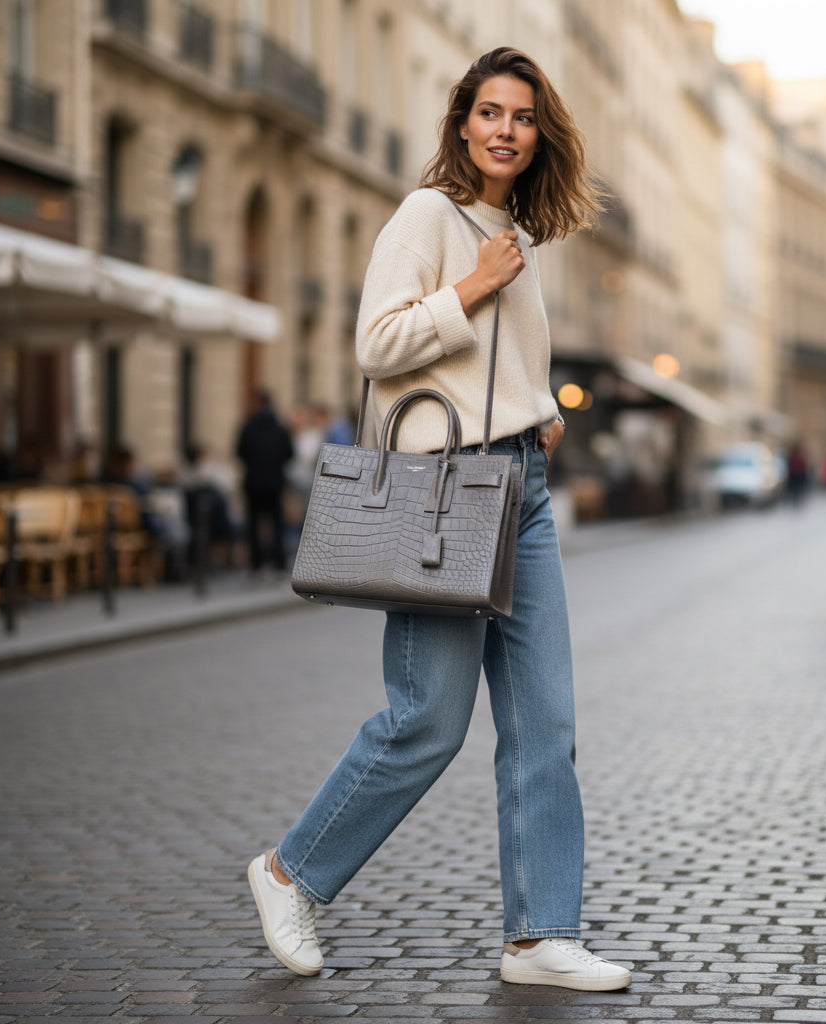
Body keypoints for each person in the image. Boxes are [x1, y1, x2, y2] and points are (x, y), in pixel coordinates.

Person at [246, 47, 631, 992]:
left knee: (546, 723)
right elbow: (377, 343)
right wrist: (471, 288)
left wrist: (537, 408)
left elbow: (496, 364)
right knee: (428, 721)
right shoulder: (428, 217)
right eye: (490, 111)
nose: (506, 129)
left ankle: (540, 935)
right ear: (462, 122)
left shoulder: (517, 236)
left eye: (524, 117)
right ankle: (290, 872)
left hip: (521, 495)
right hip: (442, 497)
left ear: (542, 136)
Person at [235, 390, 294, 574]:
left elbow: (239, 452)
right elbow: (290, 453)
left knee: (253, 524)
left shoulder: (248, 427)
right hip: (275, 483)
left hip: (253, 483)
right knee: (277, 522)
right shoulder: (280, 428)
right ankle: (278, 562)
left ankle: (256, 563)